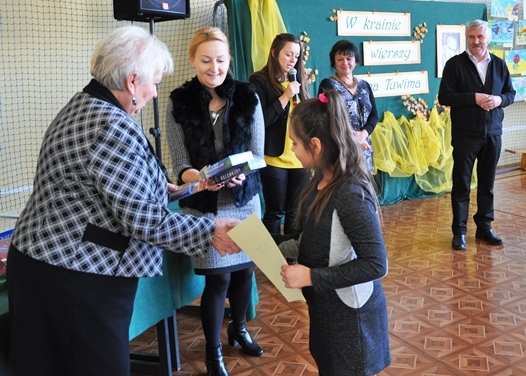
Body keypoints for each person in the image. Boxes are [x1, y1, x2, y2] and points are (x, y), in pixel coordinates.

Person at [6, 26, 241, 376]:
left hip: (48, 263)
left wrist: (171, 188)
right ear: (132, 81)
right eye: (154, 83)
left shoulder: (85, 104)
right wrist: (211, 230)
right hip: (74, 274)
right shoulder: (111, 125)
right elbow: (144, 220)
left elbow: (109, 185)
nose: (154, 92)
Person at [165, 26, 265, 376]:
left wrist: (240, 173)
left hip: (243, 199)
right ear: (192, 60)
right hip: (204, 207)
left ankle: (239, 329)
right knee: (218, 279)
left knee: (244, 272)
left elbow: (258, 154)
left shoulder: (248, 96)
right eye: (206, 60)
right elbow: (180, 165)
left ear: (229, 60)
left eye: (221, 60)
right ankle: (213, 353)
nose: (214, 68)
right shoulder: (179, 102)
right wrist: (201, 176)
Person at [278, 89, 391, 376]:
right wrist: (260, 243)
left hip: (353, 321)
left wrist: (310, 277)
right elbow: (310, 239)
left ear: (315, 145)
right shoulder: (317, 182)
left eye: (295, 143)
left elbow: (376, 264)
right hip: (326, 311)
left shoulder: (349, 193)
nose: (292, 149)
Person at [438, 19, 516, 251]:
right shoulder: (454, 64)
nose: (476, 41)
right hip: (465, 135)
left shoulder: (499, 64)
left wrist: (499, 100)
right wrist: (474, 98)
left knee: (487, 184)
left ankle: (484, 228)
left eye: (480, 37)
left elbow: (510, 94)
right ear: (467, 39)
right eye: (471, 37)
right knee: (461, 184)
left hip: (493, 133)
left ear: (488, 39)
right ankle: (459, 231)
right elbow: (445, 97)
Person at [248, 33, 310, 236]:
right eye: (288, 54)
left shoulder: (298, 81)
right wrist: (285, 96)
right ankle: (273, 255)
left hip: (299, 157)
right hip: (273, 158)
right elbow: (260, 121)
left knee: (295, 211)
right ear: (275, 53)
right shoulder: (259, 80)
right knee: (276, 212)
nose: (293, 60)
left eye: (296, 56)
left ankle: (291, 253)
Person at [318, 40, 378, 172]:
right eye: (340, 59)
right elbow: (325, 117)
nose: (345, 63)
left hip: (365, 148)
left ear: (355, 61)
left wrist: (363, 135)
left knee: (365, 183)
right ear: (334, 63)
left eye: (349, 58)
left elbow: (374, 115)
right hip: (340, 147)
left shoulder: (364, 85)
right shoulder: (328, 85)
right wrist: (353, 137)